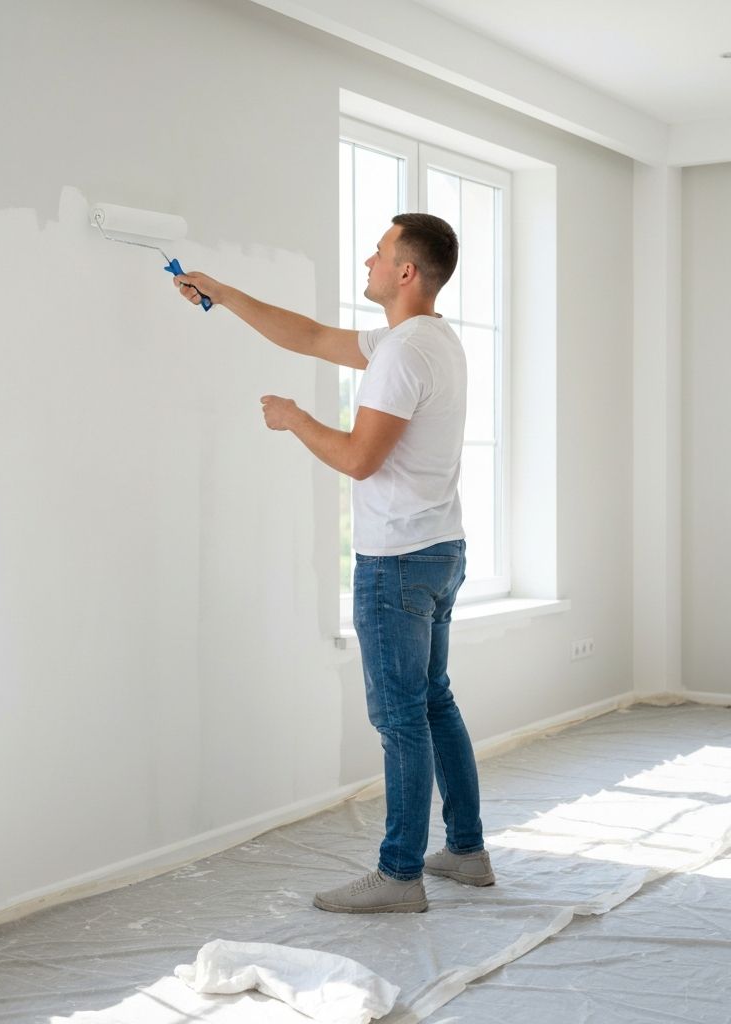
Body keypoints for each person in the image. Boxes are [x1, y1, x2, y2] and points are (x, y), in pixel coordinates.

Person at [174, 213, 494, 914]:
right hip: (439, 549)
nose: (367, 261)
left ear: (405, 272)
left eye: (379, 253)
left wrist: (294, 418)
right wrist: (223, 293)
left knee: (401, 718)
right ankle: (466, 851)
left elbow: (358, 458)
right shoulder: (429, 339)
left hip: (398, 561)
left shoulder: (403, 354)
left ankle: (399, 875)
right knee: (433, 701)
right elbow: (313, 337)